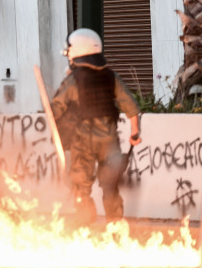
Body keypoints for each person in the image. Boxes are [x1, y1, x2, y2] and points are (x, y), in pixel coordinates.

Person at [50, 28, 142, 226]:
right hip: (109, 138)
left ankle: (84, 225)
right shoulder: (110, 76)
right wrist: (135, 133)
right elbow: (131, 107)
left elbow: (55, 109)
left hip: (83, 139)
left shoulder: (74, 79)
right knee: (111, 186)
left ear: (76, 51)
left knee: (81, 185)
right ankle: (115, 226)